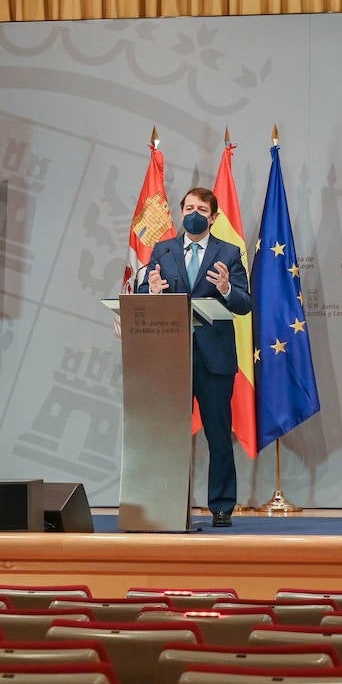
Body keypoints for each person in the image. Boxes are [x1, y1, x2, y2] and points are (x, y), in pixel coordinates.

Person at [137, 187, 252, 527]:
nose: (194, 213)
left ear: (213, 216)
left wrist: (228, 289)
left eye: (201, 208)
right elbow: (145, 294)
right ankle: (165, 503)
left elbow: (245, 304)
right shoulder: (164, 249)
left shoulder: (229, 252)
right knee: (169, 436)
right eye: (188, 207)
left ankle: (221, 507)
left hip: (214, 359)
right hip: (171, 358)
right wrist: (151, 292)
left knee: (218, 435)